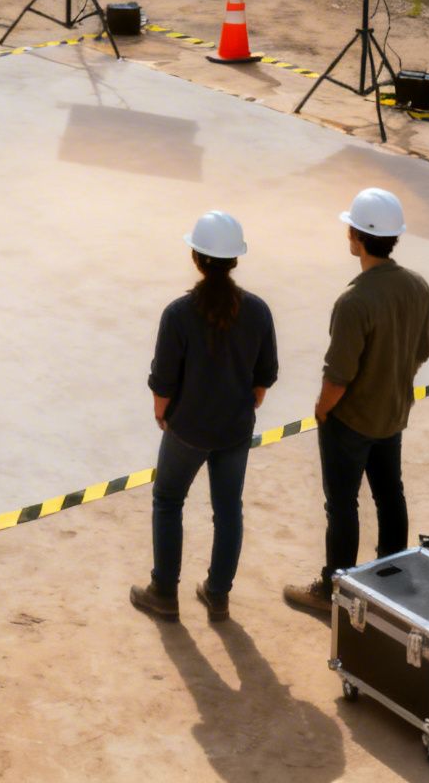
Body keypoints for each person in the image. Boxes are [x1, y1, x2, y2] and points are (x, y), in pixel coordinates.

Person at [284, 188, 429, 615]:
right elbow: (423, 349)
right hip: (393, 413)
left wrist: (322, 409)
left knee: (343, 504)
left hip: (350, 423)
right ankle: (392, 578)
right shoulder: (417, 287)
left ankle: (334, 589)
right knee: (391, 495)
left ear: (356, 236)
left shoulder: (354, 302)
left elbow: (339, 376)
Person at [132, 210, 278, 622]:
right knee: (228, 508)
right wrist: (244, 406)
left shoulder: (178, 314)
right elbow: (264, 380)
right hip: (234, 428)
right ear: (235, 260)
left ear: (196, 257)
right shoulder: (258, 311)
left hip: (188, 428)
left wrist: (165, 417)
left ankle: (164, 592)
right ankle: (217, 594)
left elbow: (163, 383)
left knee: (167, 500)